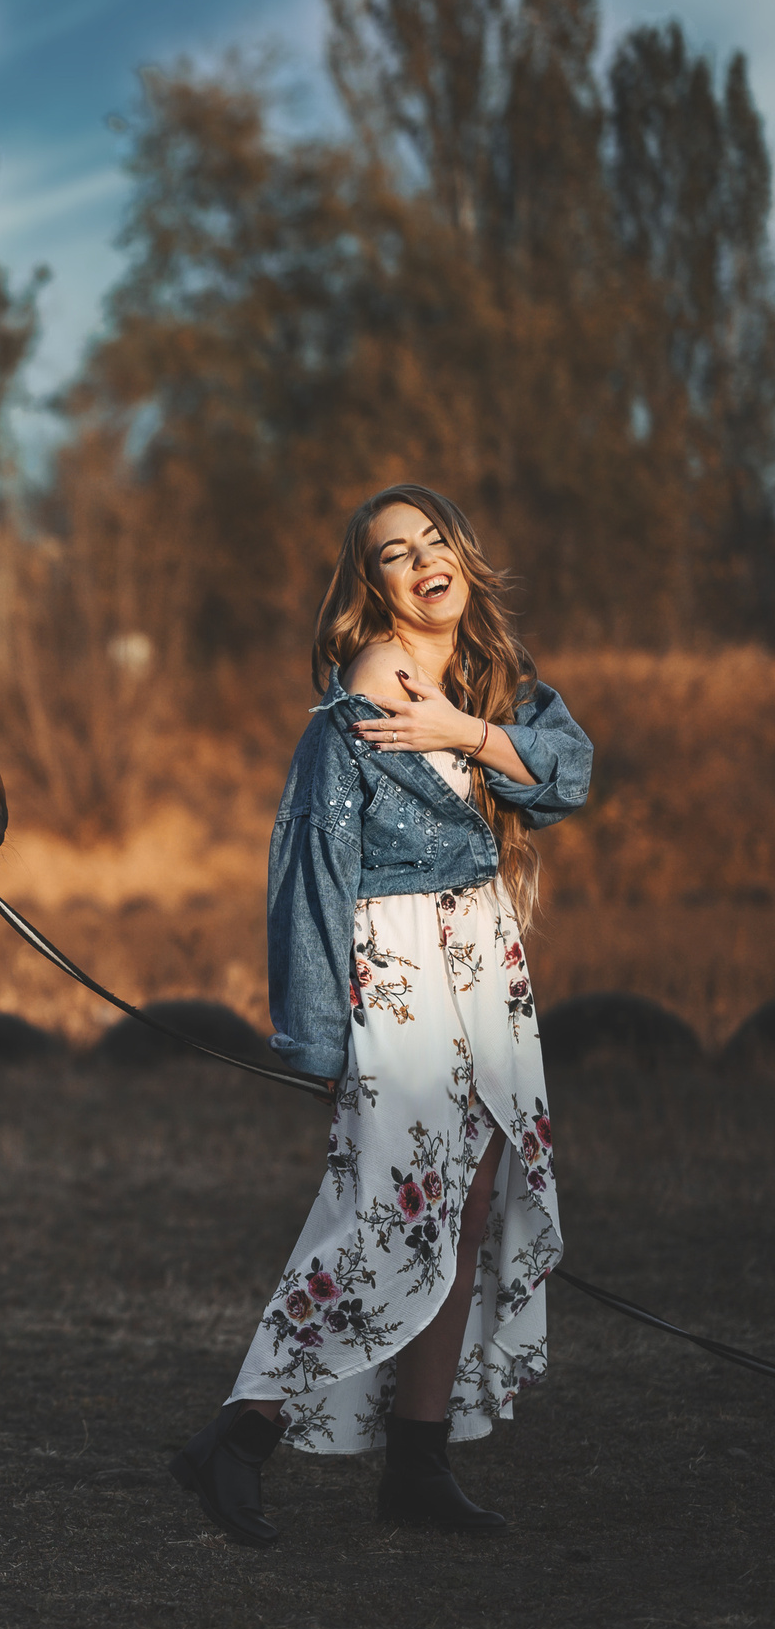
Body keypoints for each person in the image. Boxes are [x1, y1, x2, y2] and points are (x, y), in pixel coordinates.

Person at [171, 485, 593, 1546]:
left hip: (484, 955)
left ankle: (415, 1462)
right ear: (374, 586)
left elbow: (571, 773)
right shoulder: (362, 693)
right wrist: (317, 1033)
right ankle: (242, 1431)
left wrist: (466, 729)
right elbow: (312, 868)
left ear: (461, 554)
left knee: (468, 1200)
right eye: (394, 553)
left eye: (433, 539)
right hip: (401, 961)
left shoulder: (490, 684)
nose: (421, 560)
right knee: (388, 1207)